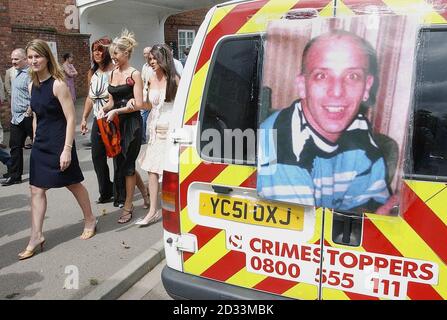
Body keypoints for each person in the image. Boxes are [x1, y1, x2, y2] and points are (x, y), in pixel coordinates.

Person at [257, 30, 391, 214]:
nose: (337, 92)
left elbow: (374, 206)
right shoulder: (279, 144)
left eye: (352, 76)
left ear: (366, 87)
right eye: (322, 75)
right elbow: (302, 235)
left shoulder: (357, 128)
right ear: (302, 86)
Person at [17, 39, 97, 261]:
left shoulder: (58, 84)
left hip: (60, 142)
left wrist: (67, 150)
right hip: (41, 144)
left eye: (37, 56)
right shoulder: (32, 85)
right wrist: (34, 141)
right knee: (36, 190)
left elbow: (71, 118)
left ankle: (90, 219)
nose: (33, 60)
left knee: (72, 183)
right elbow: (36, 116)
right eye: (30, 57)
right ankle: (36, 236)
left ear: (46, 58)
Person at [99, 30, 148, 223]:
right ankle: (145, 194)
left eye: (116, 54)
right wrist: (105, 108)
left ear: (126, 53)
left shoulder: (134, 74)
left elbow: (139, 103)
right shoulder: (111, 74)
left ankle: (128, 206)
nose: (113, 58)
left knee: (127, 165)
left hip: (132, 124)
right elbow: (112, 101)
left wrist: (117, 111)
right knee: (123, 164)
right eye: (111, 55)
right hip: (115, 123)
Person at [135, 44, 179, 226]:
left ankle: (175, 210)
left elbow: (183, 106)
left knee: (170, 173)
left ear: (163, 59)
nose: (151, 62)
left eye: (154, 59)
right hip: (154, 131)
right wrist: (137, 102)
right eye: (150, 59)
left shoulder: (175, 79)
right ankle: (153, 211)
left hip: (170, 131)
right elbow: (148, 106)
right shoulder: (151, 78)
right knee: (152, 171)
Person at [80, 37, 126, 206]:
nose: (96, 53)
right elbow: (90, 97)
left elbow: (117, 97)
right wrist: (84, 117)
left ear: (107, 52)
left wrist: (107, 110)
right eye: (94, 50)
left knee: (117, 157)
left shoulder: (115, 71)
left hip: (114, 119)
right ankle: (106, 191)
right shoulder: (92, 73)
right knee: (97, 156)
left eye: (100, 50)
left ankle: (120, 195)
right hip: (97, 120)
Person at [2, 48, 33, 186]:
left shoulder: (30, 75)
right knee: (14, 147)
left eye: (16, 59)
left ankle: (53, 169)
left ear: (25, 59)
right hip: (16, 118)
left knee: (40, 144)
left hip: (28, 117)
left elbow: (34, 95)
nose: (13, 62)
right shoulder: (17, 73)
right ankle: (15, 176)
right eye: (12, 59)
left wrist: (29, 111)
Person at [141, 46, 152, 144]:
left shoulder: (155, 65)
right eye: (144, 53)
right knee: (142, 115)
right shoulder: (144, 66)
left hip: (154, 95)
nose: (145, 55)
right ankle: (142, 138)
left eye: (147, 53)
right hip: (146, 94)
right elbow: (143, 80)